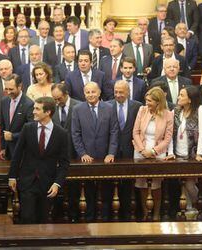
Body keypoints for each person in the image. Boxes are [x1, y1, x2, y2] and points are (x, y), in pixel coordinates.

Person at [8, 96, 69, 224]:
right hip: (28, 181)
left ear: (48, 112)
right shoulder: (27, 128)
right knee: (27, 218)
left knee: (43, 220)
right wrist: (12, 176)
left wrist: (57, 183)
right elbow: (17, 154)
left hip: (48, 184)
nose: (33, 112)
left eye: (37, 109)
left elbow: (64, 163)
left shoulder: (61, 134)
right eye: (34, 108)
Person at [71, 82, 119, 221]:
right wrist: (82, 154)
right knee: (89, 191)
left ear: (99, 93)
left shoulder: (110, 108)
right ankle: (90, 219)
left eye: (93, 92)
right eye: (87, 92)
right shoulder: (77, 109)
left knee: (106, 191)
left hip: (106, 158)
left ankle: (106, 219)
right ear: (84, 94)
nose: (90, 95)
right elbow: (75, 134)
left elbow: (114, 132)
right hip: (87, 158)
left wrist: (111, 153)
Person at [165, 86, 202, 218]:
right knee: (182, 183)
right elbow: (170, 133)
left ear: (190, 99)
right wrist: (170, 152)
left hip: (193, 154)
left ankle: (197, 204)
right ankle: (189, 209)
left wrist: (199, 154)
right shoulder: (176, 111)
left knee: (190, 183)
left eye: (182, 95)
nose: (178, 97)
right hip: (178, 154)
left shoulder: (200, 110)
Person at [132, 87, 173, 221]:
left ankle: (156, 214)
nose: (147, 103)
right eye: (146, 100)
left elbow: (167, 138)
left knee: (156, 186)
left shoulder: (168, 115)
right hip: (140, 152)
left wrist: (154, 151)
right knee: (142, 184)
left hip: (157, 153)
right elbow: (135, 132)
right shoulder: (142, 110)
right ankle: (145, 213)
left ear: (158, 101)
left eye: (149, 101)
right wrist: (142, 150)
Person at [107, 80, 142, 220]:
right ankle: (111, 214)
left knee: (129, 184)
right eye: (116, 92)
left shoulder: (138, 106)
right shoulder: (107, 106)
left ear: (128, 92)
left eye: (121, 92)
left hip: (130, 150)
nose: (118, 95)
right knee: (110, 183)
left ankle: (129, 214)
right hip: (111, 151)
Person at [0, 74, 34, 160]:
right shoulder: (4, 101)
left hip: (23, 150)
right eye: (6, 89)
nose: (8, 92)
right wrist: (3, 147)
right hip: (8, 151)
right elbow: (3, 126)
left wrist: (13, 136)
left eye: (11, 89)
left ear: (19, 86)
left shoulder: (29, 104)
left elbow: (31, 130)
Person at [51, 83, 80, 159]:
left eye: (59, 99)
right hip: (58, 151)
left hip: (76, 150)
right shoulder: (52, 108)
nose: (57, 102)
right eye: (54, 99)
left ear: (66, 94)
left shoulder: (79, 106)